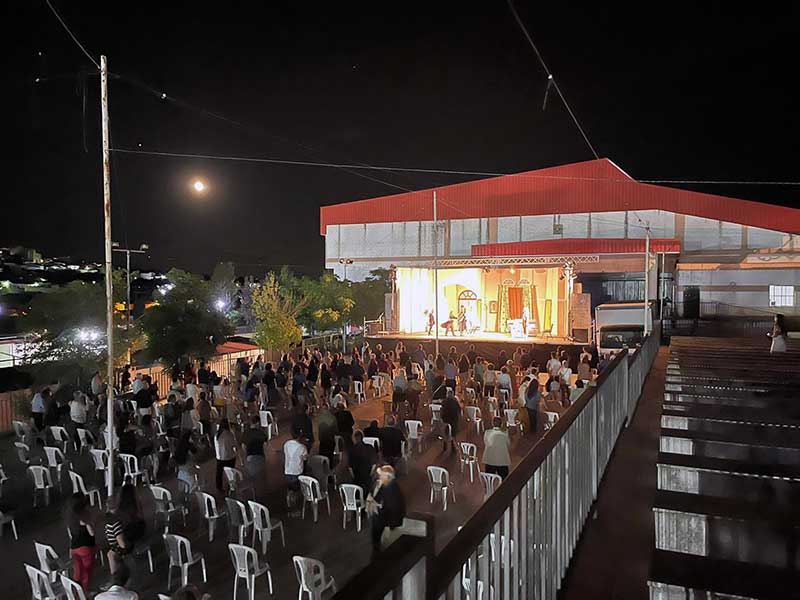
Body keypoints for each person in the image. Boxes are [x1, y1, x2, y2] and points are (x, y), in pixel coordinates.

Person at [105, 484, 144, 574]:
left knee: (111, 554)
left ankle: (116, 576)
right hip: (126, 538)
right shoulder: (117, 520)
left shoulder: (114, 518)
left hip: (128, 535)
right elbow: (122, 543)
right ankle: (118, 575)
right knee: (112, 554)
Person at [367, 465, 406, 556]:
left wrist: (378, 510)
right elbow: (377, 498)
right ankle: (376, 546)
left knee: (376, 521)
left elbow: (392, 509)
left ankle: (377, 549)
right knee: (374, 517)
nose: (380, 477)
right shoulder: (386, 484)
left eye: (382, 476)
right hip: (387, 513)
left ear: (388, 477)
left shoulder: (391, 489)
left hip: (392, 519)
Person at [67, 493, 96, 592]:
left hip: (75, 548)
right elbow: (92, 533)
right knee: (86, 573)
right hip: (86, 547)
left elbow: (70, 535)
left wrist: (70, 550)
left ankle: (75, 594)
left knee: (77, 573)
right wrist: (89, 523)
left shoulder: (70, 518)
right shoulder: (85, 515)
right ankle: (84, 593)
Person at [284, 430, 308, 514]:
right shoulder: (302, 447)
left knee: (289, 489)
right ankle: (293, 510)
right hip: (296, 471)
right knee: (295, 491)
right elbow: (305, 458)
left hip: (287, 470)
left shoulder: (286, 444)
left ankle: (288, 504)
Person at [349, 430, 377, 494]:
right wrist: (370, 475)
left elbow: (350, 468)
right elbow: (374, 464)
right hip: (368, 479)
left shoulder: (351, 450)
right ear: (363, 437)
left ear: (354, 439)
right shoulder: (370, 447)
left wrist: (354, 478)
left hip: (357, 480)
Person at [214, 420, 238, 492]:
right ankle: (231, 487)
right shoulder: (229, 434)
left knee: (219, 473)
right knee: (230, 473)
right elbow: (234, 445)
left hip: (219, 457)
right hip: (229, 457)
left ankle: (219, 487)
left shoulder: (217, 435)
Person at [243, 415, 268, 481]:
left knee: (252, 476)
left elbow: (243, 446)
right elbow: (265, 444)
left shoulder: (246, 433)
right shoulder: (260, 432)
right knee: (262, 476)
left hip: (249, 457)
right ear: (257, 423)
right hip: (260, 456)